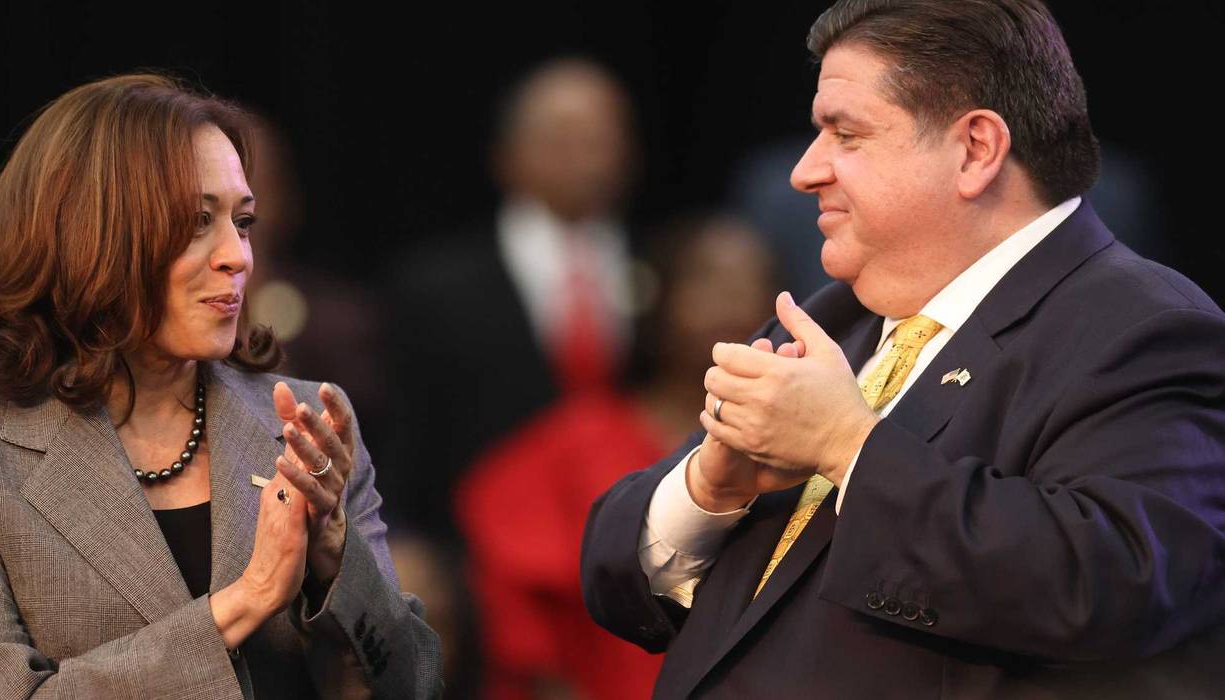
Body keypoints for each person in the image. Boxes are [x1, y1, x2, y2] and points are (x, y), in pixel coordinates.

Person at [580, 1, 1225, 698]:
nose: (804, 171)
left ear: (975, 149)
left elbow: (1115, 586)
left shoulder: (1146, 329)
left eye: (844, 134)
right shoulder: (834, 316)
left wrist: (847, 444)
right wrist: (708, 490)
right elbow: (611, 572)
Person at [0, 74, 442, 698]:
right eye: (198, 221)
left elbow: (413, 681)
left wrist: (335, 554)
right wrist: (245, 601)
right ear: (90, 233)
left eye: (243, 221)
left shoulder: (305, 423)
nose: (239, 256)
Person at [457, 216, 777, 699]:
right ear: (660, 301)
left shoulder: (801, 451)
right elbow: (524, 616)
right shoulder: (576, 440)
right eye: (706, 280)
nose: (732, 299)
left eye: (753, 283)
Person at [382, 57, 639, 541]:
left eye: (603, 137)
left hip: (631, 546)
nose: (587, 156)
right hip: (480, 552)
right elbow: (410, 438)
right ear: (506, 155)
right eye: (562, 137)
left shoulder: (663, 268)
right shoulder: (437, 287)